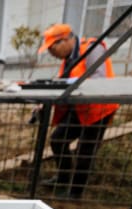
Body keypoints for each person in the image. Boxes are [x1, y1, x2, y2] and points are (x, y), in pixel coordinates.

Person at [39, 23, 119, 199]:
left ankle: (75, 193)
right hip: (80, 107)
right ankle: (63, 177)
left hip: (98, 108)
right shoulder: (69, 57)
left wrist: (69, 85)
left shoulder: (92, 49)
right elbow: (65, 82)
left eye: (52, 48)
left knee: (85, 151)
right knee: (58, 140)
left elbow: (99, 79)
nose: (51, 54)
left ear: (65, 40)